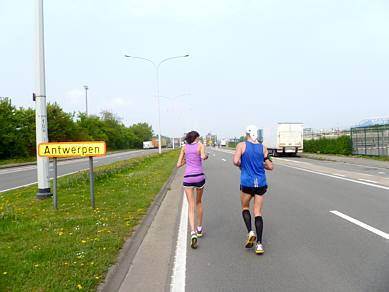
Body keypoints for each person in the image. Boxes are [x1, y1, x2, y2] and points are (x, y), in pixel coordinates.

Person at [233, 125, 274, 254]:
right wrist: (260, 165)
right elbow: (270, 166)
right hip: (261, 182)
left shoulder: (241, 145)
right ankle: (260, 244)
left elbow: (235, 161)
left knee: (245, 208)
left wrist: (242, 165)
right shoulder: (263, 148)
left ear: (247, 133)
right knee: (257, 212)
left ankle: (250, 232)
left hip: (247, 182)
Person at [177, 131, 208, 249]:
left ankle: (193, 233)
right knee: (198, 202)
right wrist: (205, 156)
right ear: (197, 138)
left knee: (191, 205)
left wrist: (186, 161)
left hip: (188, 178)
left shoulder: (184, 148)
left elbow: (178, 165)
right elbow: (202, 156)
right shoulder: (200, 146)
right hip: (199, 177)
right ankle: (199, 229)